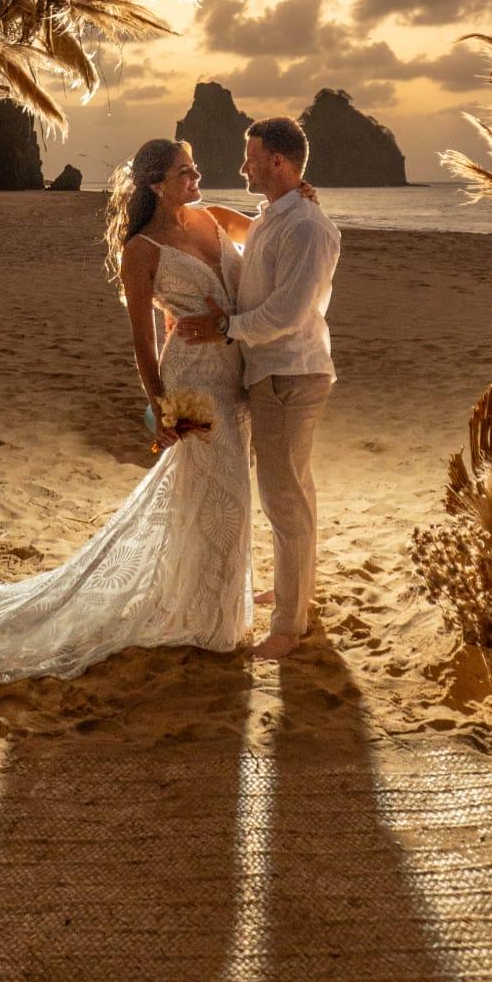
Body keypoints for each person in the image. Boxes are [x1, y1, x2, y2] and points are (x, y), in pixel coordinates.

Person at [0, 138, 260, 689]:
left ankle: (205, 603)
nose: (197, 177)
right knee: (225, 490)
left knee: (216, 494)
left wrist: (299, 197)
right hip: (192, 381)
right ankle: (213, 622)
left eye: (195, 167)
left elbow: (269, 235)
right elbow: (142, 340)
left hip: (236, 374)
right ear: (157, 184)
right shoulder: (141, 250)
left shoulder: (213, 217)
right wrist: (160, 405)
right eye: (185, 171)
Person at [176, 117, 340, 659]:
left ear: (277, 161)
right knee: (294, 491)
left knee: (283, 498)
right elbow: (232, 226)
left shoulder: (306, 226)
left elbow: (287, 314)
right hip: (276, 372)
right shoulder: (277, 215)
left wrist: (226, 327)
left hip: (289, 374)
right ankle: (298, 594)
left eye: (251, 158)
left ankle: (289, 626)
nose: (243, 166)